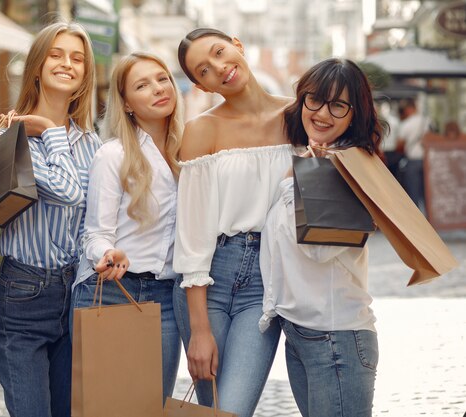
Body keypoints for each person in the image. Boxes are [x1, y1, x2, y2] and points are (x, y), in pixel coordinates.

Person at [172, 28, 293, 417]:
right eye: (204, 70)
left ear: (238, 46)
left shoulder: (298, 117)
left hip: (266, 278)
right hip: (210, 277)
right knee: (217, 410)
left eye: (221, 52)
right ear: (200, 85)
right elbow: (191, 233)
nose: (220, 67)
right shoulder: (201, 130)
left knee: (234, 408)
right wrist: (199, 329)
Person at [259, 58, 384, 417]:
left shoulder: (352, 165)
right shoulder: (309, 160)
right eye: (315, 99)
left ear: (354, 113)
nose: (323, 113)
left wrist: (310, 176)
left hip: (337, 337)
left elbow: (321, 248)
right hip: (302, 334)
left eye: (338, 105)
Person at [0, 20, 101, 417]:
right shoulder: (8, 136)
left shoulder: (93, 143)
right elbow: (68, 193)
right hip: (23, 295)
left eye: (77, 58)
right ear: (37, 65)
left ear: (86, 73)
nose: (66, 64)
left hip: (78, 294)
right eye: (55, 55)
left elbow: (96, 216)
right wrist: (51, 131)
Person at [71, 52, 183, 401]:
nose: (157, 88)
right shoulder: (113, 155)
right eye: (142, 85)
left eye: (162, 78)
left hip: (167, 296)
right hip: (114, 291)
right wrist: (108, 254)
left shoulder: (191, 150)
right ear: (127, 104)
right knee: (110, 407)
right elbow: (95, 232)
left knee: (151, 406)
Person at [396, 98, 431, 211]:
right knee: (428, 193)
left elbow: (399, 146)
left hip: (412, 161)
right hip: (428, 161)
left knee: (413, 192)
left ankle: (416, 220)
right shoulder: (428, 121)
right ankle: (430, 217)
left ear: (408, 109)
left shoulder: (406, 124)